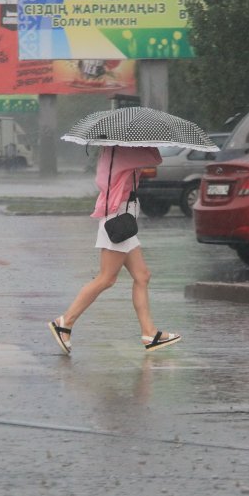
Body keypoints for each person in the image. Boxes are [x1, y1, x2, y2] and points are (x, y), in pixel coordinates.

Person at [48, 145, 182, 354]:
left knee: (142, 275)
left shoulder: (113, 150)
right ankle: (64, 322)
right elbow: (155, 158)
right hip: (118, 219)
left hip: (122, 218)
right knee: (106, 278)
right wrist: (146, 142)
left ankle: (149, 333)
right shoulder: (122, 152)